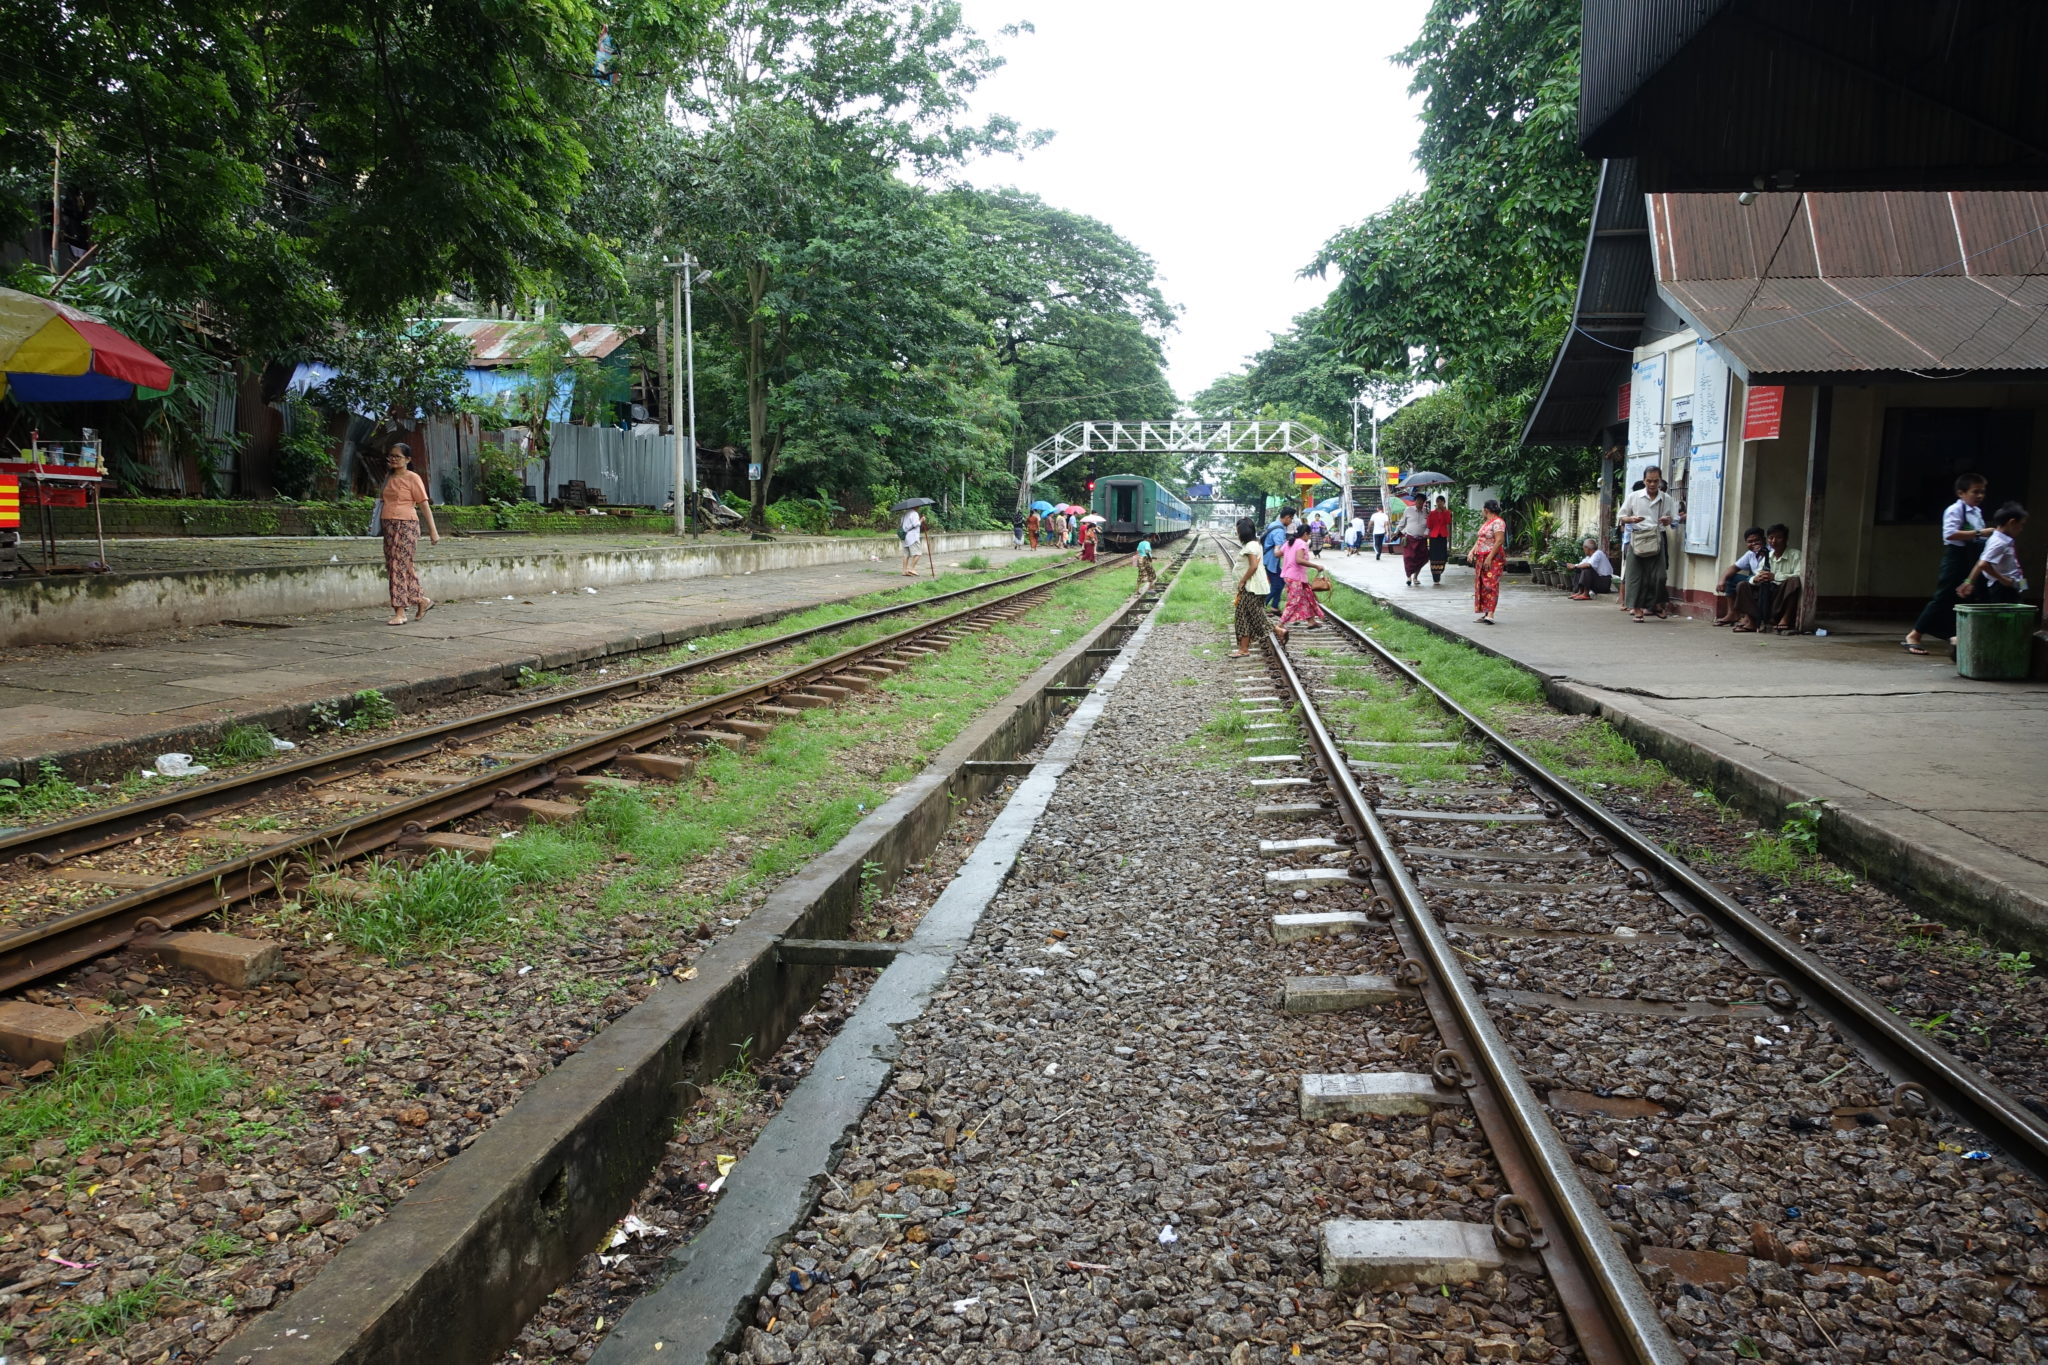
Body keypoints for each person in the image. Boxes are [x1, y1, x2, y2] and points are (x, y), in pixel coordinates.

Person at [1904, 472, 1992, 654]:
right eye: (1975, 492)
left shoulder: (1976, 512)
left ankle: (1957, 637)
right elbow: (1950, 534)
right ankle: (1914, 635)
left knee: (1967, 596)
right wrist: (1980, 533)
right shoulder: (1955, 510)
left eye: (1982, 492)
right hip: (1955, 557)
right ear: (1961, 493)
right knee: (1943, 596)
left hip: (1970, 557)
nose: (1980, 496)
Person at [378, 442, 439, 625]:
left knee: (397, 566)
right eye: (391, 456)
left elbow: (424, 504)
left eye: (398, 456)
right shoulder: (388, 477)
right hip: (388, 525)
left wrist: (433, 531)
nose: (393, 459)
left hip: (406, 525)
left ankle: (400, 612)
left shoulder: (413, 478)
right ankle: (421, 600)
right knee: (401, 566)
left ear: (408, 459)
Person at [1618, 465, 1677, 622]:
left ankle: (1656, 604)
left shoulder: (1666, 498)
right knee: (1634, 575)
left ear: (1660, 481)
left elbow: (1675, 519)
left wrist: (1668, 520)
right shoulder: (1634, 497)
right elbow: (1622, 516)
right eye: (1649, 481)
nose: (1652, 484)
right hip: (1638, 538)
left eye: (1655, 481)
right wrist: (1631, 519)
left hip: (1657, 537)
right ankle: (1637, 609)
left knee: (1660, 576)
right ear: (1644, 480)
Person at [1731, 524, 1804, 633]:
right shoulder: (1768, 555)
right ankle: (1752, 621)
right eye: (1771, 538)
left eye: (1778, 537)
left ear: (1786, 539)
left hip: (1782, 594)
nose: (1774, 541)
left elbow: (1799, 575)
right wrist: (1756, 579)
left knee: (1793, 581)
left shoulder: (1796, 555)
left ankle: (1785, 618)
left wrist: (1775, 576)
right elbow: (1758, 573)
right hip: (1767, 592)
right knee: (1742, 584)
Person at [1957, 501, 2029, 604]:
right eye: (2021, 525)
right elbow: (1983, 564)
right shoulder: (1999, 542)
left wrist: (1969, 581)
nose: (2021, 529)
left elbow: (1981, 561)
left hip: (2014, 585)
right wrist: (2003, 580)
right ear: (2012, 522)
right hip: (2004, 589)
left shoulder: (2004, 540)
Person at [1232, 515, 1286, 653]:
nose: (1237, 533)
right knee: (1251, 616)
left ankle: (1277, 631)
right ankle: (1244, 648)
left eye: (1238, 530)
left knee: (1245, 617)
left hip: (1251, 588)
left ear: (1242, 532)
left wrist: (1243, 580)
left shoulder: (1250, 546)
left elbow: (1253, 566)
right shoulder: (1255, 544)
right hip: (1256, 586)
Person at [1713, 527, 1767, 626]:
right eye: (1750, 542)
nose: (1754, 543)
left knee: (1744, 584)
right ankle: (1732, 613)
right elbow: (1734, 567)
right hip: (1753, 580)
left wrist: (1764, 555)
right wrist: (1721, 580)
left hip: (1766, 581)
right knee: (1730, 578)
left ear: (1763, 540)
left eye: (1757, 540)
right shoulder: (1750, 554)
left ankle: (1748, 617)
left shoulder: (1770, 551)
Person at [1465, 499, 1507, 624]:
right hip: (1481, 556)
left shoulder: (1498, 522)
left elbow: (1499, 540)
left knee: (1491, 584)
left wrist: (1489, 557)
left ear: (1486, 510)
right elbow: (1480, 539)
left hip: (1493, 557)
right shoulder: (1487, 523)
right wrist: (1472, 551)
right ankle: (1485, 613)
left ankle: (1490, 614)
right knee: (1482, 584)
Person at [1278, 527, 1325, 628]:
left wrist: (1276, 546)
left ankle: (1311, 621)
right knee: (1294, 601)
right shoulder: (1301, 543)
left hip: (1290, 576)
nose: (1309, 537)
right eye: (1309, 535)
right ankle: (1280, 624)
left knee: (1307, 598)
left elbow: (1278, 554)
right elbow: (1299, 560)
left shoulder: (1289, 542)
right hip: (1296, 577)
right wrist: (1316, 566)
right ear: (1305, 534)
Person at [1262, 508, 1296, 612]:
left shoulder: (1273, 524)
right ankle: (1261, 605)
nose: (1291, 521)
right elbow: (1278, 551)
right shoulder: (1279, 531)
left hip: (1267, 559)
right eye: (1291, 519)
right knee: (1277, 585)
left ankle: (1275, 606)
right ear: (1287, 517)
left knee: (1280, 582)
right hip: (1271, 561)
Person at [1398, 497, 1430, 587]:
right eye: (1418, 500)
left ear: (1423, 502)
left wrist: (1426, 532)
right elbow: (1402, 523)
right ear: (1415, 501)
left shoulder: (1426, 512)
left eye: (1421, 501)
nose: (1419, 502)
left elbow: (1429, 525)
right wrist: (1396, 532)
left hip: (1422, 539)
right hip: (1410, 538)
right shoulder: (1408, 510)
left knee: (1422, 558)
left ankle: (1415, 577)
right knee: (1408, 558)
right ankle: (1409, 577)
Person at [1426, 496, 1453, 585]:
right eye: (1438, 501)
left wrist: (1444, 512)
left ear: (1444, 502)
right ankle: (1435, 577)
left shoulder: (1447, 512)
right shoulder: (1432, 513)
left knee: (1442, 555)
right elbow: (1429, 525)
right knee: (1434, 556)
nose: (1439, 503)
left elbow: (1448, 522)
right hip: (1434, 536)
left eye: (1441, 501)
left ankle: (1440, 571)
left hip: (1443, 536)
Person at [899, 504, 927, 576]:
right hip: (913, 537)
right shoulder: (914, 513)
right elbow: (915, 524)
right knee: (918, 553)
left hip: (905, 536)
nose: (919, 507)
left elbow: (901, 524)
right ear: (915, 506)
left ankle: (904, 571)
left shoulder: (905, 514)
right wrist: (921, 520)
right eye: (918, 506)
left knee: (906, 555)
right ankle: (911, 569)